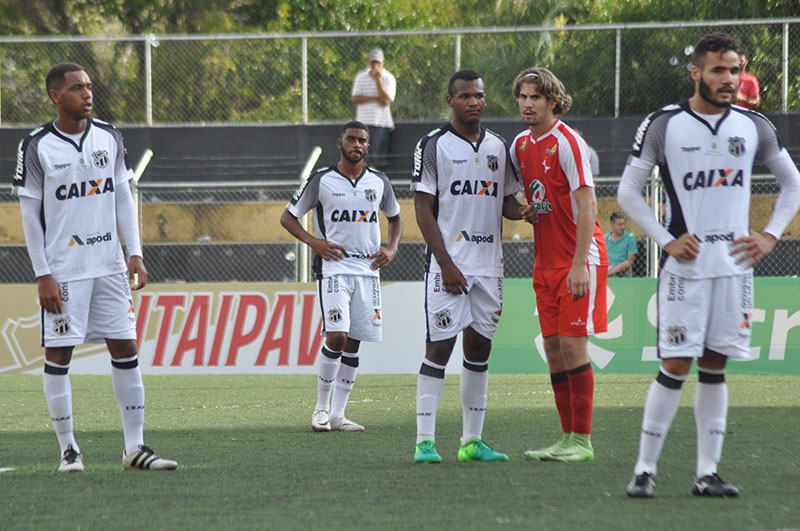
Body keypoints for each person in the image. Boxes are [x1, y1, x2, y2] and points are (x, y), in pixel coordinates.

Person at [618, 33, 800, 498]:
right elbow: (627, 193)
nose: (729, 79)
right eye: (719, 70)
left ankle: (707, 473)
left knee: (716, 366)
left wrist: (770, 235)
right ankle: (644, 471)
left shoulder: (754, 126)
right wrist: (664, 240)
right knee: (676, 364)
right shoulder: (663, 124)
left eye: (735, 69)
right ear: (696, 73)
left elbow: (792, 184)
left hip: (735, 268)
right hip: (687, 271)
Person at [13, 63, 177, 472]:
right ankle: (69, 450)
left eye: (88, 87)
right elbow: (30, 215)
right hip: (64, 271)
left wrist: (134, 252)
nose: (86, 94)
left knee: (125, 349)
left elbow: (123, 195)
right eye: (76, 88)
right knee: (60, 354)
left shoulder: (109, 136)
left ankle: (134, 448)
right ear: (55, 96)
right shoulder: (36, 147)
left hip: (109, 267)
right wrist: (42, 273)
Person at [411, 69, 523, 464]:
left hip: (489, 266)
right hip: (450, 266)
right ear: (450, 101)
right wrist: (445, 263)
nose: (473, 101)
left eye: (478, 95)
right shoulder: (433, 145)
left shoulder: (499, 146)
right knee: (439, 347)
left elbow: (506, 201)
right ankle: (425, 441)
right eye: (465, 96)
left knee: (479, 348)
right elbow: (422, 207)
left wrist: (526, 212)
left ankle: (471, 442)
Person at [509, 67, 608, 463]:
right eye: (523, 97)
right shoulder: (519, 144)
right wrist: (524, 211)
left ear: (552, 101)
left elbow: (589, 204)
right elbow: (518, 193)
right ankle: (566, 437)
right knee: (552, 350)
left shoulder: (568, 142)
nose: (528, 104)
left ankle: (581, 441)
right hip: (545, 262)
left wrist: (581, 263)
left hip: (578, 259)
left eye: (536, 97)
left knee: (572, 346)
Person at [281, 121, 402, 433]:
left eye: (362, 140)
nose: (356, 144)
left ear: (368, 146)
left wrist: (391, 248)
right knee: (337, 336)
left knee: (355, 342)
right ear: (340, 143)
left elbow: (396, 217)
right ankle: (320, 409)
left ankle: (338, 414)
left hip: (368, 270)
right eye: (351, 139)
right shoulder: (322, 180)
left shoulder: (378, 181)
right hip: (334, 267)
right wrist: (315, 242)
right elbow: (288, 217)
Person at [351, 48, 397, 168]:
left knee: (377, 159)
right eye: (373, 63)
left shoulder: (389, 78)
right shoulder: (361, 77)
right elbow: (355, 98)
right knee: (363, 156)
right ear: (368, 62)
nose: (375, 66)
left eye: (377, 63)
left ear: (383, 63)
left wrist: (378, 79)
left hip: (380, 123)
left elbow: (385, 100)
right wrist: (373, 98)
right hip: (363, 123)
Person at [605, 212, 638, 277]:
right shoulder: (605, 238)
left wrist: (612, 271)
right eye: (619, 224)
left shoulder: (630, 238)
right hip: (606, 267)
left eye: (624, 224)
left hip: (622, 270)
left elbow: (630, 261)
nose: (623, 227)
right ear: (612, 225)